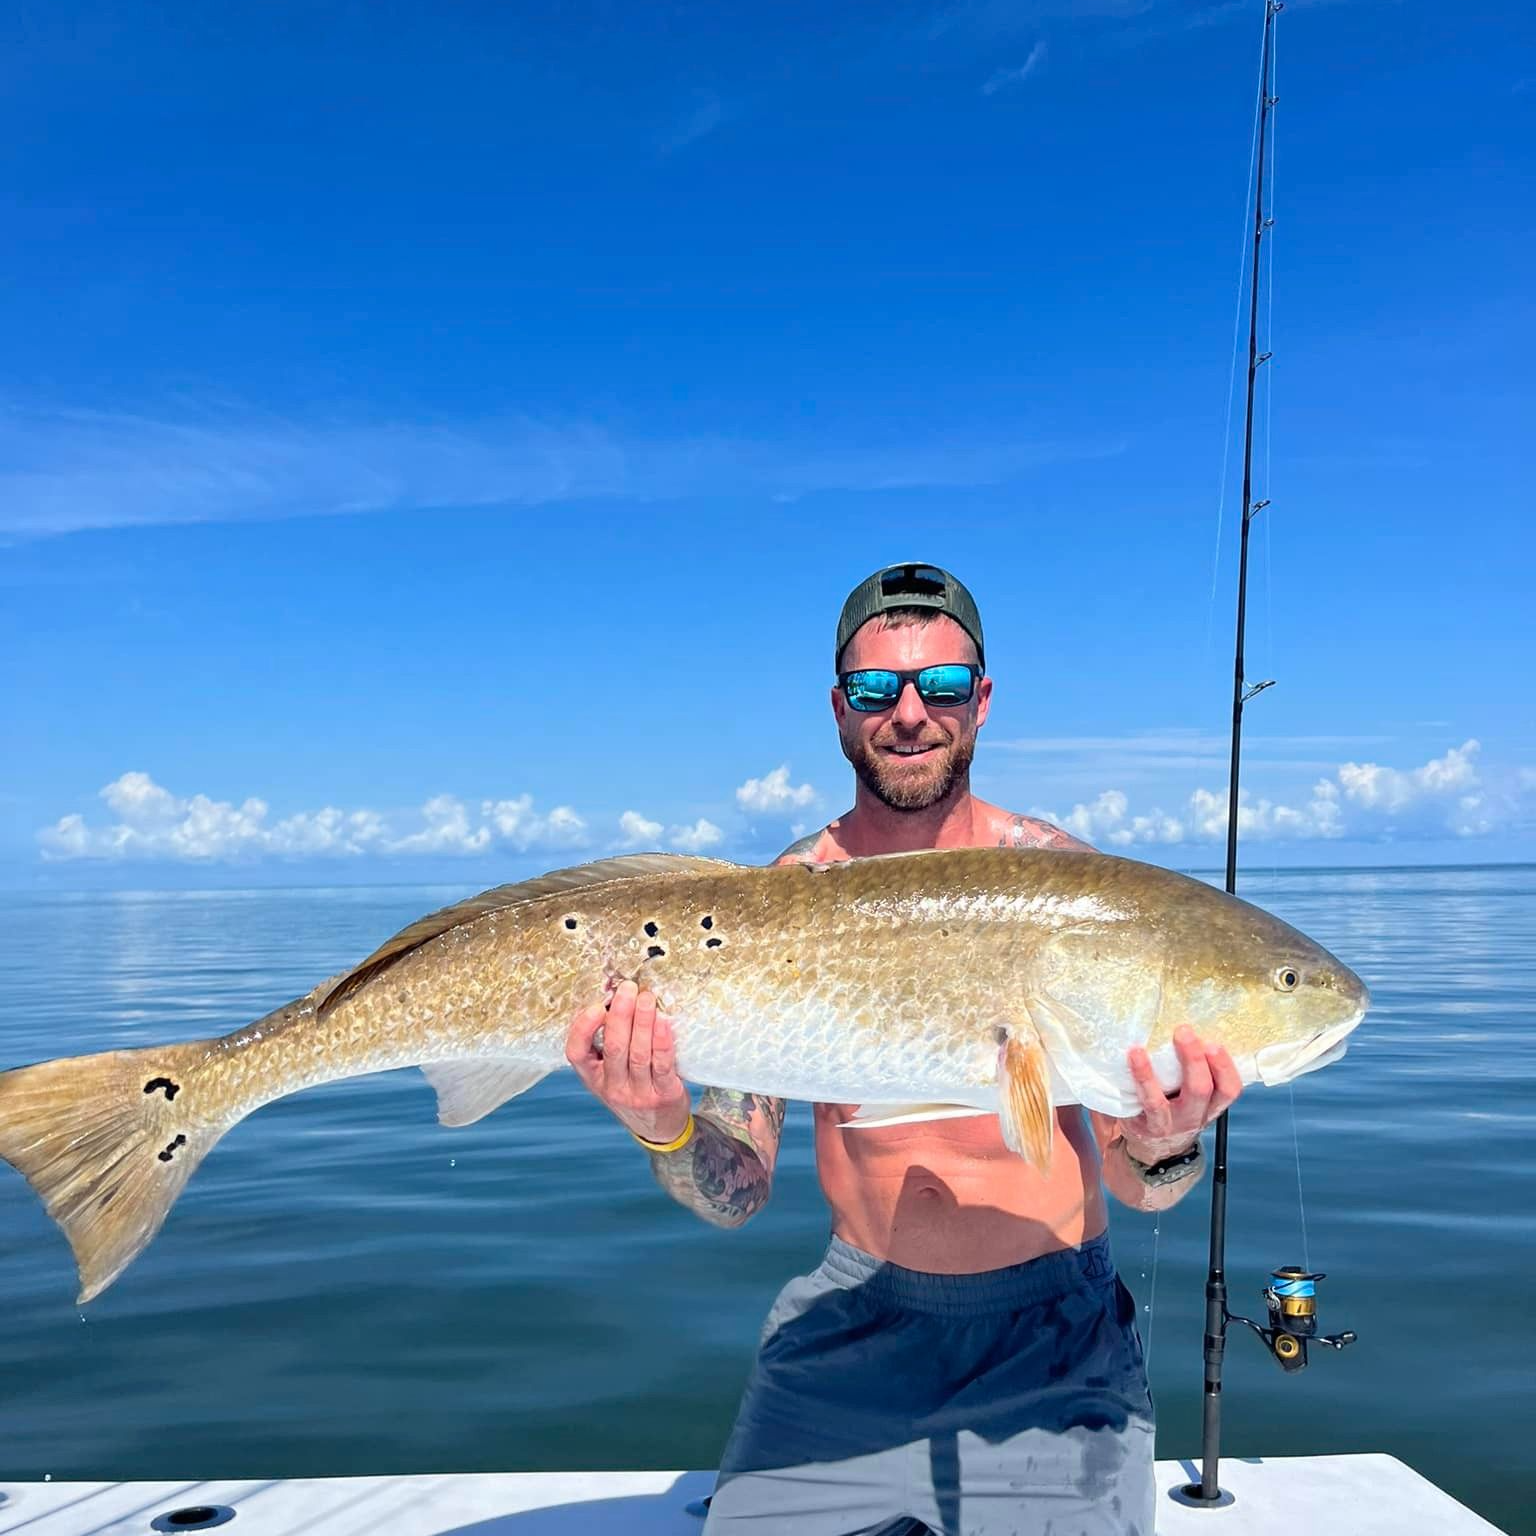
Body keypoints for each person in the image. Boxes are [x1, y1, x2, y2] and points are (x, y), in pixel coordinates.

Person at [564, 562, 1242, 1536]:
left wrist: (1168, 1137)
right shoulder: (777, 901)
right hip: (854, 1314)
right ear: (841, 708)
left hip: (1055, 1330)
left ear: (983, 702)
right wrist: (659, 1126)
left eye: (944, 685)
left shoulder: (1069, 888)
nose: (911, 712)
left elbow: (1146, 1187)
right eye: (879, 689)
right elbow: (740, 1190)